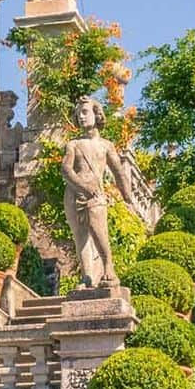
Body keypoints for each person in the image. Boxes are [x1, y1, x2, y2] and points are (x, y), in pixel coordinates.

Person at [62, 97, 138, 288]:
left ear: (97, 114)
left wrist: (128, 197)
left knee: (98, 231)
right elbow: (66, 169)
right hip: (74, 194)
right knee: (81, 237)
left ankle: (108, 267)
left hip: (96, 196)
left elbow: (119, 172)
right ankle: (87, 277)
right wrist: (82, 186)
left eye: (85, 112)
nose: (81, 117)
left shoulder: (105, 145)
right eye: (78, 114)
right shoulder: (73, 144)